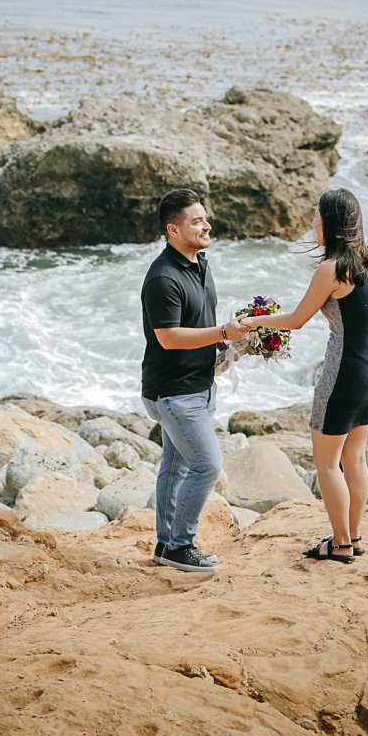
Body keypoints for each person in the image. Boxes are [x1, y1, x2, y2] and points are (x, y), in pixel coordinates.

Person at [239, 187, 368, 564]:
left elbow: (295, 320)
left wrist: (251, 321)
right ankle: (353, 538)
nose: (312, 222)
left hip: (344, 375)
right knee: (355, 460)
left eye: (316, 216)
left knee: (327, 463)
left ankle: (339, 544)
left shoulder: (332, 269)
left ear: (333, 223)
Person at [140, 189, 248, 573]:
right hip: (173, 392)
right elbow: (168, 337)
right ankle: (180, 545)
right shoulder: (162, 278)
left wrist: (230, 341)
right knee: (206, 465)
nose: (207, 225)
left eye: (205, 217)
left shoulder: (200, 263)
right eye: (196, 221)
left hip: (201, 384)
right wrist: (222, 330)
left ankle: (165, 545)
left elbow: (201, 322)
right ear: (173, 229)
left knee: (175, 465)